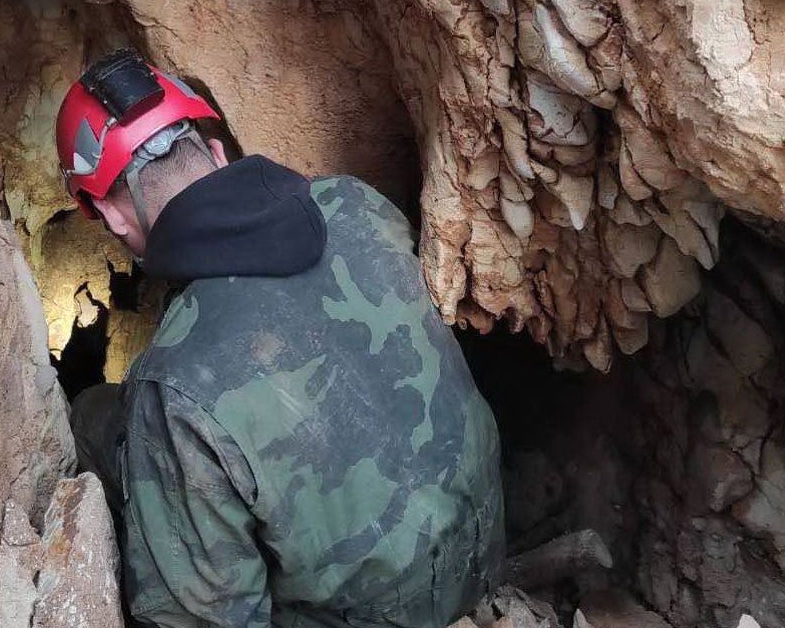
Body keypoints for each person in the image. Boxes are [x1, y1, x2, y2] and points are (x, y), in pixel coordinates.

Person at [55, 48, 505, 627]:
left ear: (111, 217)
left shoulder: (177, 385)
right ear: (215, 151)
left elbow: (204, 620)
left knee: (94, 417)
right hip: (482, 546)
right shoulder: (355, 202)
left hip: (376, 618)